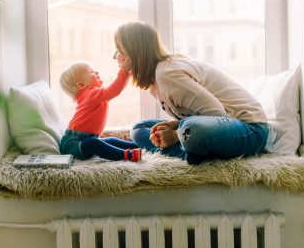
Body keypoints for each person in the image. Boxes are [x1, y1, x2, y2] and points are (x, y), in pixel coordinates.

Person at [113, 21, 270, 165]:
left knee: (191, 129)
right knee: (139, 129)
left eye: (118, 50)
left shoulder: (167, 74)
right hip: (214, 126)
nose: (114, 56)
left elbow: (217, 113)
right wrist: (175, 125)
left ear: (134, 54)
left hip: (250, 130)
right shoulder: (156, 79)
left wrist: (175, 134)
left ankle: (190, 151)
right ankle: (194, 153)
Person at [59, 60, 141, 162]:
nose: (96, 72)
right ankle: (127, 155)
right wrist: (123, 71)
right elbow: (113, 90)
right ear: (81, 85)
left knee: (111, 140)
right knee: (94, 143)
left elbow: (116, 91)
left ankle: (139, 146)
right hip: (73, 144)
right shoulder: (90, 94)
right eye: (91, 72)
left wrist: (128, 73)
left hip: (85, 140)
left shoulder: (95, 96)